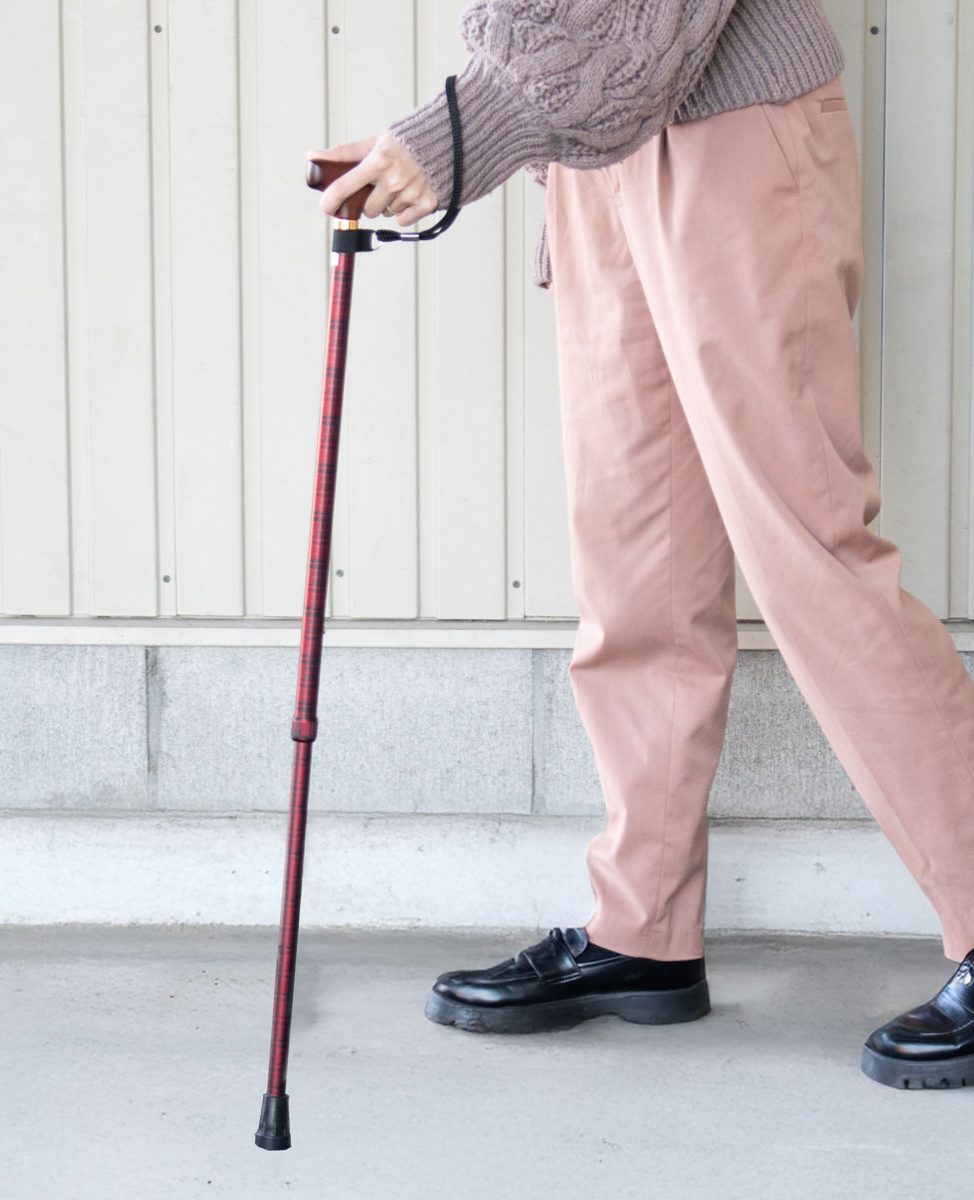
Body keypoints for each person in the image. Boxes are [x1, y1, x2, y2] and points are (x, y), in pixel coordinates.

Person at [312, 0, 974, 1091]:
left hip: (733, 139)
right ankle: (643, 930)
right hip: (597, 156)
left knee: (813, 558)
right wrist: (463, 129)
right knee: (635, 571)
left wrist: (463, 129)